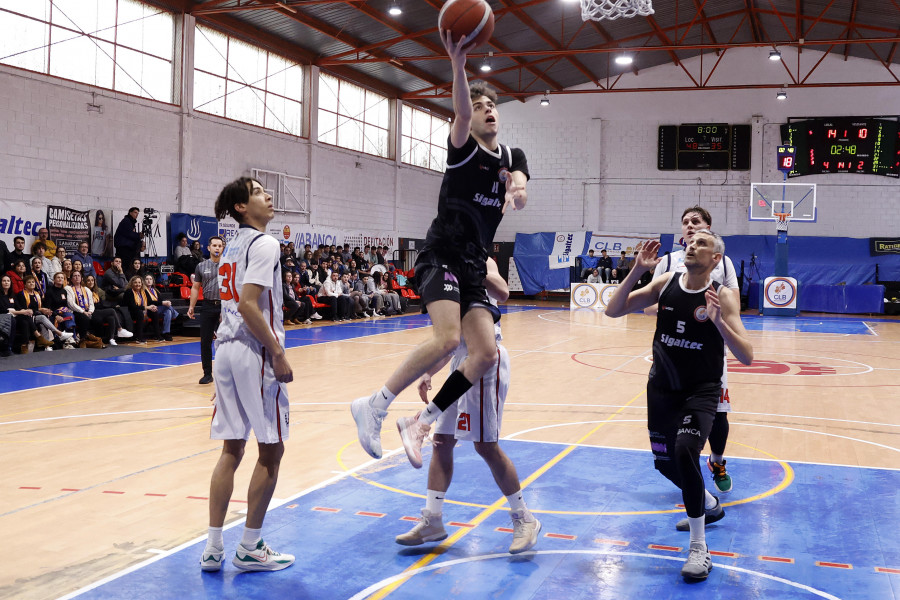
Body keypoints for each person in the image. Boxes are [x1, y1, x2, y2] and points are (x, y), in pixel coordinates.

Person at [351, 29, 529, 470]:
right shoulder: (463, 148)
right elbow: (464, 111)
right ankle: (374, 404)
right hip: (442, 254)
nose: (488, 111)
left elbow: (521, 179)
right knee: (449, 338)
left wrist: (518, 189)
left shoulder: (511, 156)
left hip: (472, 265)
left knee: (485, 354)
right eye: (482, 105)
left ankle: (420, 421)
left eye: (493, 107)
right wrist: (458, 62)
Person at [604, 231, 753, 580]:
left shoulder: (724, 297)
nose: (692, 245)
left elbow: (747, 355)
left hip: (701, 391)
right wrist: (637, 270)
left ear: (716, 258)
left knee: (686, 449)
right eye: (691, 241)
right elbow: (613, 310)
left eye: (702, 243)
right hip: (661, 390)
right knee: (665, 464)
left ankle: (699, 549)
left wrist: (719, 323)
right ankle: (708, 503)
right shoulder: (667, 283)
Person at [396, 258, 540, 554]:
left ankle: (524, 518)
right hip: (461, 361)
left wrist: (477, 269)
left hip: (487, 361)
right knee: (441, 441)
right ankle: (433, 519)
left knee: (486, 446)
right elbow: (451, 339)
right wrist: (428, 371)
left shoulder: (481, 257)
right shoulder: (443, 265)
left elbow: (502, 292)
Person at [199, 176, 294, 573]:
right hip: (253, 349)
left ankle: (213, 547)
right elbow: (250, 305)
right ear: (241, 206)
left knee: (231, 450)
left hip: (225, 350)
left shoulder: (231, 246)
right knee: (271, 450)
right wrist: (277, 353)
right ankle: (250, 546)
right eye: (257, 192)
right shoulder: (266, 243)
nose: (268, 196)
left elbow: (233, 305)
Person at [649, 206, 739, 494]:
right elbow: (649, 303)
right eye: (685, 222)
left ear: (708, 227)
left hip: (710, 349)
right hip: (675, 352)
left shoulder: (723, 264)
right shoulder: (668, 263)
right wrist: (679, 311)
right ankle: (691, 478)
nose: (689, 226)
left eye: (696, 222)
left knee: (719, 414)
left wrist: (710, 319)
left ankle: (717, 461)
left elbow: (733, 305)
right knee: (676, 422)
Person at [187, 236, 225, 384]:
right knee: (205, 341)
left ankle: (226, 373)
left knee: (226, 341)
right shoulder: (201, 266)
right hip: (208, 305)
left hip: (225, 306)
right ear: (208, 248)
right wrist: (191, 306)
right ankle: (207, 374)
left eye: (220, 246)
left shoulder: (229, 265)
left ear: (223, 248)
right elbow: (195, 287)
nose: (217, 248)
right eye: (214, 245)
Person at [67, 271, 115, 348]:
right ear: (71, 279)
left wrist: (90, 311)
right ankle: (83, 340)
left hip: (88, 311)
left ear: (81, 278)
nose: (77, 277)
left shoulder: (86, 289)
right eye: (74, 276)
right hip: (76, 311)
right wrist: (83, 311)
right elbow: (71, 303)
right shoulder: (68, 288)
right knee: (84, 318)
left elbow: (91, 303)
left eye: (78, 275)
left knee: (100, 318)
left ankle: (99, 340)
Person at [123, 275, 161, 345]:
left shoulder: (143, 292)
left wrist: (152, 307)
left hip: (140, 310)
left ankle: (157, 335)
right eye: (135, 283)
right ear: (132, 283)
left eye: (139, 282)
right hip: (129, 312)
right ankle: (139, 337)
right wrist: (146, 307)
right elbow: (133, 306)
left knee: (154, 312)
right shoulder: (129, 291)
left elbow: (148, 302)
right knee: (139, 313)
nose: (138, 284)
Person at [144, 274, 177, 341]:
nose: (149, 281)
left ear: (153, 281)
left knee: (168, 311)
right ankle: (177, 315)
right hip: (150, 310)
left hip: (158, 309)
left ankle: (166, 333)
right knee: (167, 306)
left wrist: (164, 302)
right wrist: (163, 303)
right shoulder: (144, 290)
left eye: (150, 279)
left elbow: (160, 300)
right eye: (147, 279)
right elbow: (149, 302)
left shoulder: (155, 290)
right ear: (144, 281)